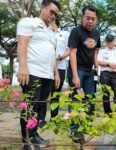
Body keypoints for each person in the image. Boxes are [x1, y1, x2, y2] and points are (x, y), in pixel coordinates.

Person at [16, 0, 61, 149]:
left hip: (47, 75)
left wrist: (56, 74)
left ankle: (34, 135)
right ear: (42, 8)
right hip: (32, 73)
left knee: (40, 107)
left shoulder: (51, 31)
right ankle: (26, 141)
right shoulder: (28, 22)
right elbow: (22, 43)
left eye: (56, 14)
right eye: (52, 12)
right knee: (30, 107)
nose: (53, 16)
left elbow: (52, 54)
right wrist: (23, 67)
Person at [68, 4, 101, 142]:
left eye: (93, 19)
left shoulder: (96, 33)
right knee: (76, 99)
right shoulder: (76, 31)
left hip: (89, 70)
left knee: (89, 98)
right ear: (82, 17)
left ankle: (85, 125)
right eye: (88, 18)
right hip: (78, 69)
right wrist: (75, 75)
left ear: (96, 19)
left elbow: (95, 50)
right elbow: (72, 53)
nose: (90, 21)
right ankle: (75, 130)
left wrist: (96, 64)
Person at [50, 18, 70, 119]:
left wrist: (61, 56)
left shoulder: (64, 34)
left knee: (56, 93)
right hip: (47, 67)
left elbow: (69, 49)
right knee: (44, 93)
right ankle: (40, 119)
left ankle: (54, 118)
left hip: (61, 66)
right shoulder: (46, 33)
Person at [97, 34, 116, 114]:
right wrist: (108, 64)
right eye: (108, 41)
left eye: (111, 41)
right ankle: (108, 113)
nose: (110, 43)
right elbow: (98, 61)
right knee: (106, 94)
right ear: (106, 42)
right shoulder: (102, 51)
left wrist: (115, 66)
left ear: (114, 41)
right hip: (105, 74)